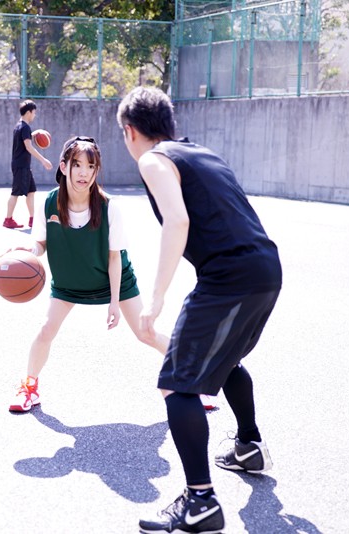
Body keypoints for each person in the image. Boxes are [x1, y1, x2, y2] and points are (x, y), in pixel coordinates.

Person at [117, 86, 282, 534]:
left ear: (130, 131)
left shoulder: (153, 160)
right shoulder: (200, 152)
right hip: (266, 269)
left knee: (176, 383)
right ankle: (248, 446)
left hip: (229, 277)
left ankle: (200, 501)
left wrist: (156, 298)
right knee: (224, 360)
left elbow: (178, 220)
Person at [8, 136, 170, 412]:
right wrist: (28, 249)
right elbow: (41, 244)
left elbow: (114, 258)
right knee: (46, 330)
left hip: (113, 281)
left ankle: (195, 380)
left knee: (146, 333)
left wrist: (115, 302)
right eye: (77, 165)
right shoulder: (50, 203)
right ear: (63, 166)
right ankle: (29, 388)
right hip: (69, 282)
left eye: (91, 166)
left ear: (97, 171)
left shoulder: (109, 207)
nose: (84, 173)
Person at [3, 99, 52, 229]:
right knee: (15, 193)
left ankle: (32, 219)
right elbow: (29, 147)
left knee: (31, 191)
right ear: (29, 112)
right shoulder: (25, 127)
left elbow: (25, 138)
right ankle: (8, 219)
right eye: (34, 112)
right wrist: (43, 160)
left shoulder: (19, 126)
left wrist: (35, 133)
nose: (35, 115)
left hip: (23, 165)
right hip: (21, 166)